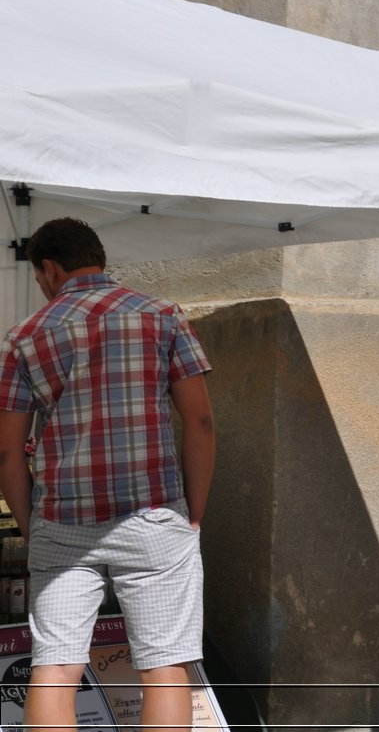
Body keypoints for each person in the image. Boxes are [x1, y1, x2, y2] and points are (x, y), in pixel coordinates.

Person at [0, 217, 215, 731]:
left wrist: (34, 530)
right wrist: (194, 514)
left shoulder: (25, 336)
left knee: (55, 667)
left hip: (62, 521)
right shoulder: (163, 316)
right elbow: (201, 422)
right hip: (155, 514)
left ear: (49, 268)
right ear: (97, 257)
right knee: (165, 667)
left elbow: (8, 453)